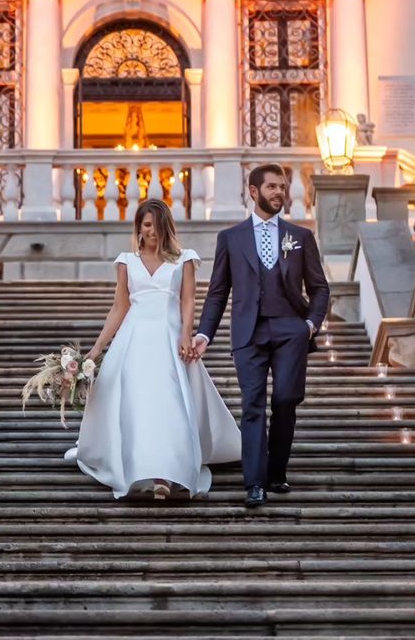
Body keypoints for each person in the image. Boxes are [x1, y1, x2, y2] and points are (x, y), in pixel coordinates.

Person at [65, 198, 240, 499]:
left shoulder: (184, 259)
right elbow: (119, 308)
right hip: (133, 341)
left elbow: (188, 300)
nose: (152, 231)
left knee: (168, 403)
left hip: (169, 339)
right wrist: (96, 349)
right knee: (138, 405)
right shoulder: (126, 261)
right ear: (139, 227)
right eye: (147, 225)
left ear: (166, 227)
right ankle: (139, 469)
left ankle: (167, 474)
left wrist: (186, 334)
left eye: (158, 225)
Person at [192, 163, 330, 508]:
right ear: (253, 192)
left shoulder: (300, 237)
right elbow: (217, 292)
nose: (279, 192)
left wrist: (310, 325)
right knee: (252, 406)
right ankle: (254, 482)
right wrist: (204, 333)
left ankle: (276, 472)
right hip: (248, 333)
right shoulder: (231, 238)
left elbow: (320, 288)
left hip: (290, 331)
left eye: (282, 186)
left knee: (285, 400)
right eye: (272, 187)